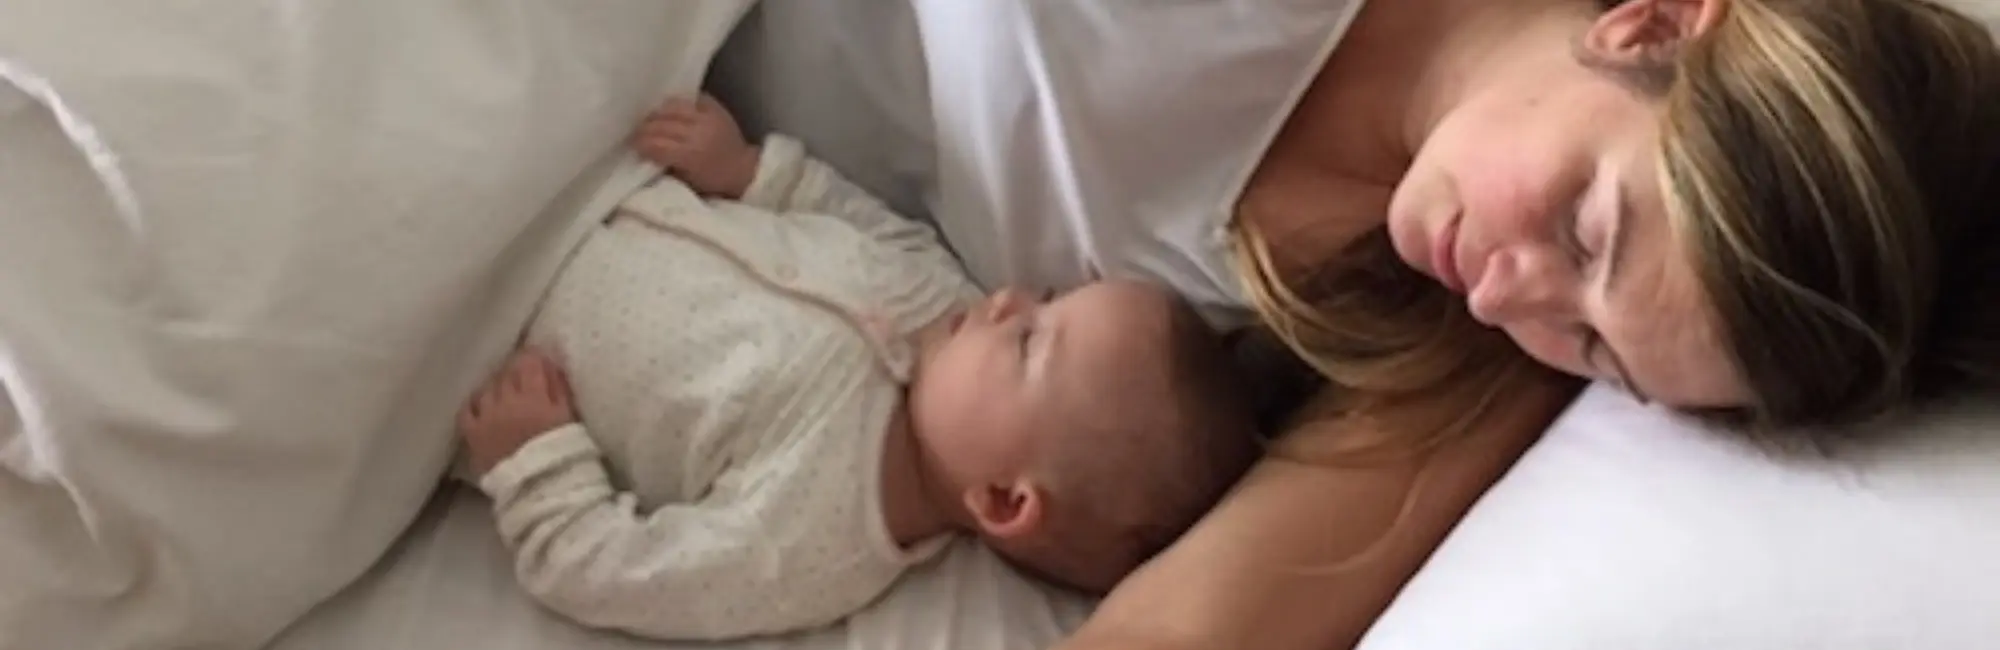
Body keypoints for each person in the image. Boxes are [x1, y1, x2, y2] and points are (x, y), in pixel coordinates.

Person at [714, 0, 2000, 647]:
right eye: (1585, 231)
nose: (1509, 296)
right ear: (1646, 22)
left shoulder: (1438, 348)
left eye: (1597, 348)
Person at [449, 95, 1262, 642]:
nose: (1010, 297)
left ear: (1004, 499)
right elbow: (853, 217)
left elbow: (623, 575)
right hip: (591, 189)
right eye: (1046, 296)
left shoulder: (813, 544)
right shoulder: (938, 300)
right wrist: (748, 173)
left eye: (1031, 340)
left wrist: (539, 464)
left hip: (490, 333)